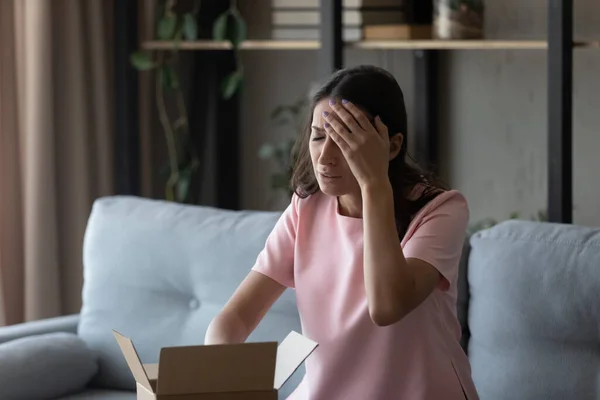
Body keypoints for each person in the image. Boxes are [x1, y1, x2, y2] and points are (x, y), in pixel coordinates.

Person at [204, 65, 479, 400]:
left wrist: (374, 185)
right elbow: (234, 319)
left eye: (346, 141)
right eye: (319, 137)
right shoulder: (306, 209)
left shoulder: (441, 210)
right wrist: (214, 375)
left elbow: (387, 306)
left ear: (391, 147)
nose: (325, 157)